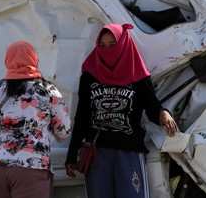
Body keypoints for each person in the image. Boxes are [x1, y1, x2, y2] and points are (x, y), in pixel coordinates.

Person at [65, 23, 178, 198]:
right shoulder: (90, 73)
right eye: (102, 45)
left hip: (129, 151)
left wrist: (163, 113)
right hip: (98, 153)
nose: (107, 50)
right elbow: (82, 116)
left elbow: (151, 106)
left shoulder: (137, 73)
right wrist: (72, 155)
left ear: (123, 44)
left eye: (112, 44)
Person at [0, 41, 71, 198]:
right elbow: (64, 132)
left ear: (7, 61)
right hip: (31, 167)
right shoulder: (47, 91)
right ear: (35, 60)